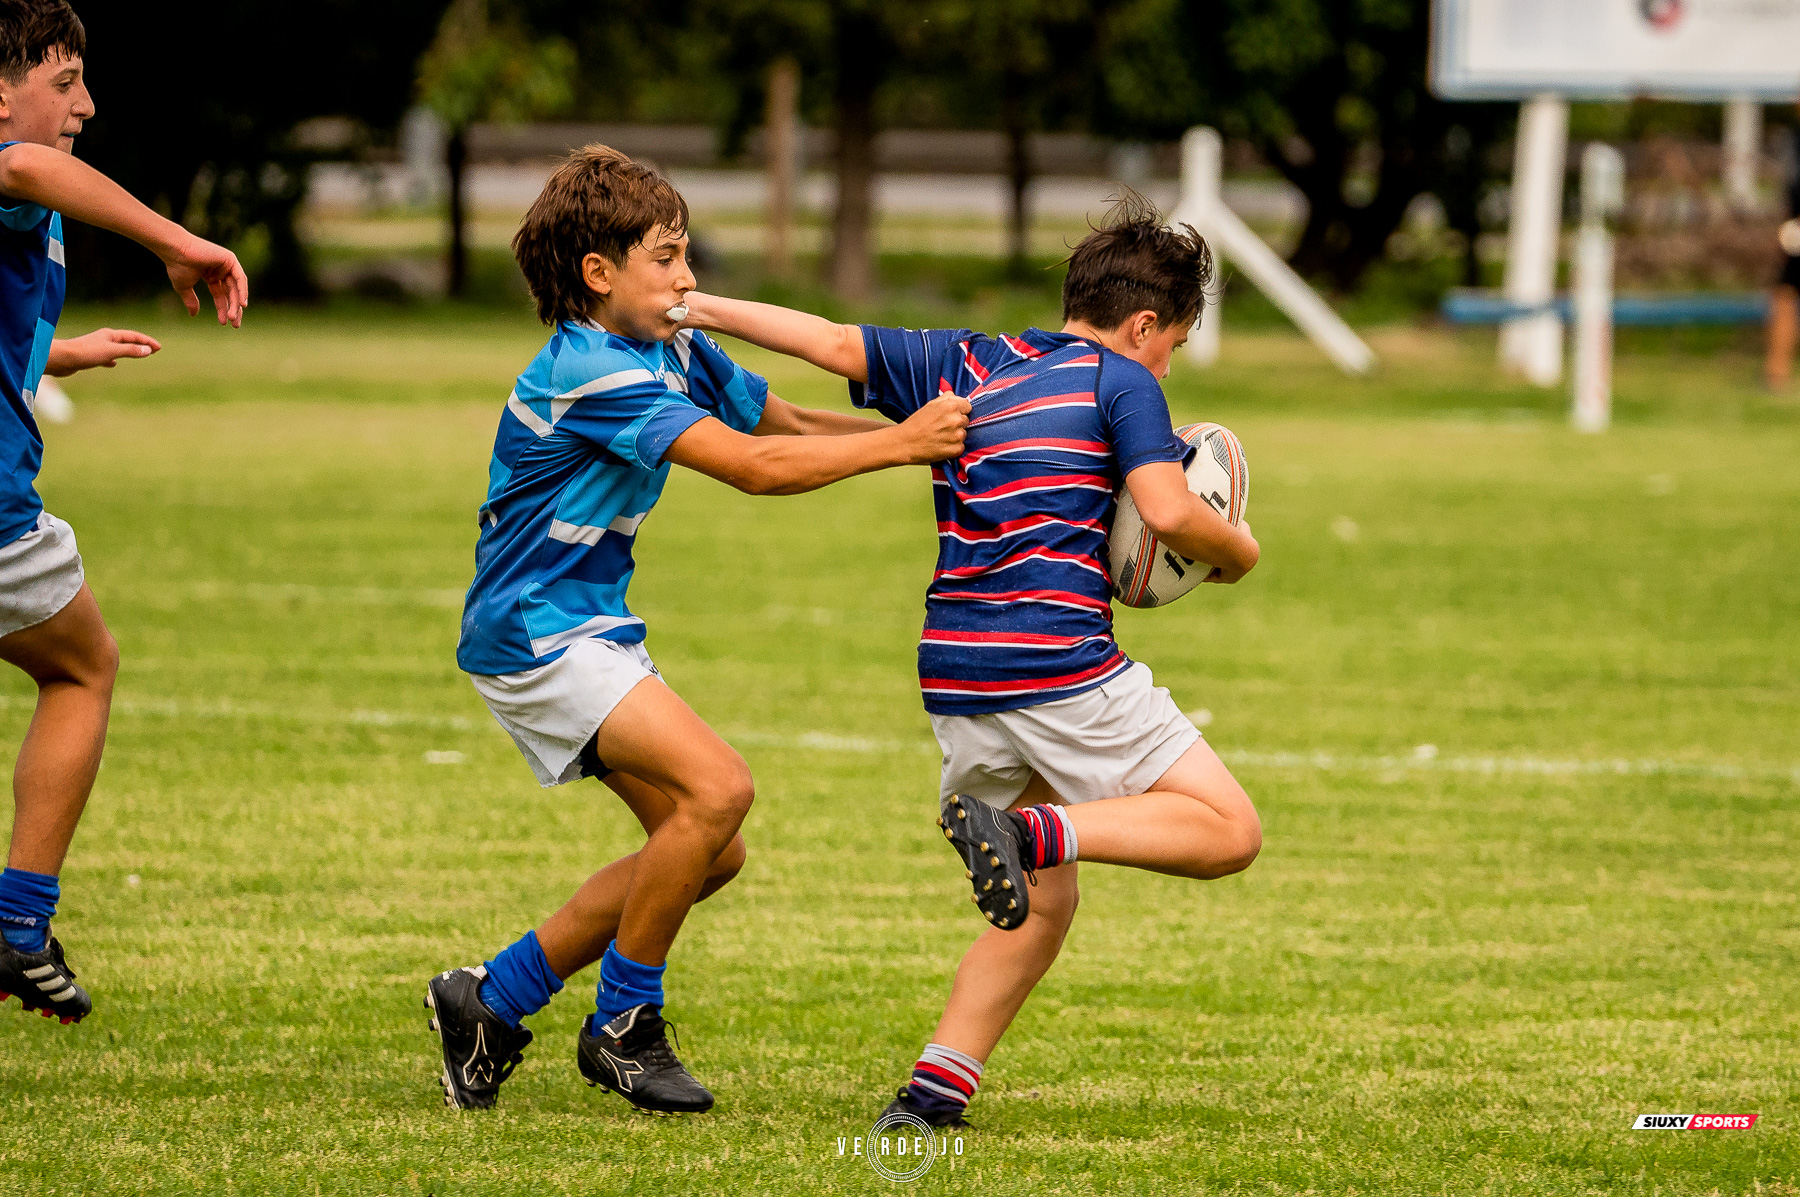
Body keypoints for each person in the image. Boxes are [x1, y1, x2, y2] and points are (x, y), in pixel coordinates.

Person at [680, 192, 1264, 1127]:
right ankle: (1035, 832)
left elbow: (829, 341)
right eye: (1174, 345)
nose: (1167, 364)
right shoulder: (1123, 384)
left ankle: (933, 1092)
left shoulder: (971, 360)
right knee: (1228, 830)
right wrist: (1239, 551)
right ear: (1144, 324)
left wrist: (700, 307)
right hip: (1057, 664)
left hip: (957, 674)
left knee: (1043, 905)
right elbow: (1166, 510)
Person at [426, 145, 969, 1115]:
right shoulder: (591, 370)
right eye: (668, 258)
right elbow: (753, 469)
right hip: (537, 633)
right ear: (600, 274)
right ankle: (626, 1025)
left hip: (583, 628)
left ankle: (490, 999)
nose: (688, 279)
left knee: (708, 846)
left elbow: (786, 421)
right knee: (721, 789)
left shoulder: (669, 346)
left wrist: (938, 441)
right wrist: (903, 442)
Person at [0, 0, 247, 1026]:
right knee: (82, 667)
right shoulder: (18, 177)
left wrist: (61, 350)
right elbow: (21, 168)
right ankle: (18, 925)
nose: (86, 106)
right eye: (64, 84)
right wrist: (176, 240)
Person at [1766, 111, 1800, 393]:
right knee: (1784, 297)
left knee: (1785, 297)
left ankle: (1777, 371)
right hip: (1796, 235)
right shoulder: (1793, 140)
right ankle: (1776, 372)